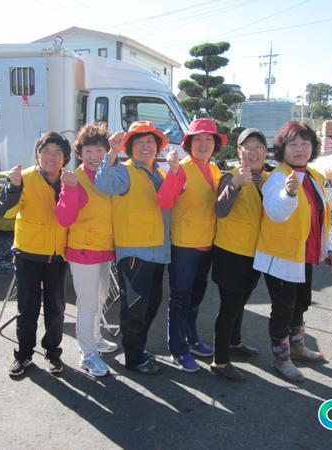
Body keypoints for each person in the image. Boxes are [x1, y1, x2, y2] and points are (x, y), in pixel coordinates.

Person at [253, 121, 332, 382]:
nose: (300, 149)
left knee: (300, 303)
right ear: (282, 149)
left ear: (313, 147)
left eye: (305, 143)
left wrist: (327, 247)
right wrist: (289, 194)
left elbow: (320, 217)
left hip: (303, 254)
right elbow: (276, 213)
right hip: (280, 256)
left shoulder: (312, 175)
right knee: (283, 308)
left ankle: (298, 347)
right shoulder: (277, 177)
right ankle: (281, 358)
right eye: (293, 144)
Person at [95, 121, 170, 375]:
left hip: (158, 250)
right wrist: (112, 152)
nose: (145, 146)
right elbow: (103, 184)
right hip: (134, 251)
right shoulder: (124, 171)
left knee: (151, 304)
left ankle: (138, 348)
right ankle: (134, 357)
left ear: (157, 146)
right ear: (130, 148)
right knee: (135, 307)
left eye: (150, 141)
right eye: (139, 142)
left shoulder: (159, 172)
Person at [0, 132, 71, 378]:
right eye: (45, 151)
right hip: (28, 254)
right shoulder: (25, 178)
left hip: (57, 256)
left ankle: (53, 353)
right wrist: (13, 187)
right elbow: (5, 212)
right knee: (27, 308)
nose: (51, 157)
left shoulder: (69, 179)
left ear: (65, 157)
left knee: (56, 308)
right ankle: (23, 355)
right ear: (38, 154)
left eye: (57, 152)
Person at [158, 118, 225, 372]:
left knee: (196, 296)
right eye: (198, 139)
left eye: (209, 139)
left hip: (208, 243)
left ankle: (191, 337)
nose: (204, 143)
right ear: (189, 143)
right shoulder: (181, 168)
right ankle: (178, 348)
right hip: (184, 244)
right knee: (180, 297)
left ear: (215, 144)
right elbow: (165, 200)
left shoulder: (215, 169)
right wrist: (173, 172)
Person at [55, 123, 118, 378]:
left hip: (104, 248)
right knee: (87, 303)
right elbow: (64, 218)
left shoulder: (108, 174)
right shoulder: (75, 178)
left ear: (107, 152)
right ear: (80, 153)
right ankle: (87, 353)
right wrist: (69, 189)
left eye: (99, 150)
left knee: (100, 298)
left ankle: (95, 338)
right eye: (88, 151)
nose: (94, 156)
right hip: (83, 250)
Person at [210, 128, 269, 382]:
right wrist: (235, 185)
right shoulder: (230, 176)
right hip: (230, 253)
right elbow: (220, 210)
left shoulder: (269, 178)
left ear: (265, 152)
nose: (253, 152)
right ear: (239, 151)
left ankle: (234, 343)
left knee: (240, 302)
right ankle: (220, 360)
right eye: (248, 147)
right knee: (229, 307)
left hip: (255, 253)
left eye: (258, 147)